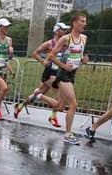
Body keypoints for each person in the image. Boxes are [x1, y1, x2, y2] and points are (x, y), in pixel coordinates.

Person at [33, 13, 89, 144]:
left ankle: (39, 96)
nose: (84, 24)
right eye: (82, 21)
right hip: (63, 75)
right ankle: (68, 134)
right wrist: (64, 66)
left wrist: (83, 60)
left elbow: (79, 55)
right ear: (74, 23)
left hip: (72, 74)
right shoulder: (65, 39)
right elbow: (52, 56)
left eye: (85, 21)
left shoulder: (84, 38)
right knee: (73, 104)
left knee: (60, 106)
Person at [14, 22, 70, 126]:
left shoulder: (65, 44)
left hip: (59, 73)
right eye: (63, 30)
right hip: (49, 74)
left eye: (66, 30)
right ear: (57, 31)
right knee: (61, 95)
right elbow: (35, 53)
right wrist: (43, 61)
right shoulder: (49, 43)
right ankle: (53, 116)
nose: (65, 32)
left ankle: (20, 105)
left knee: (39, 93)